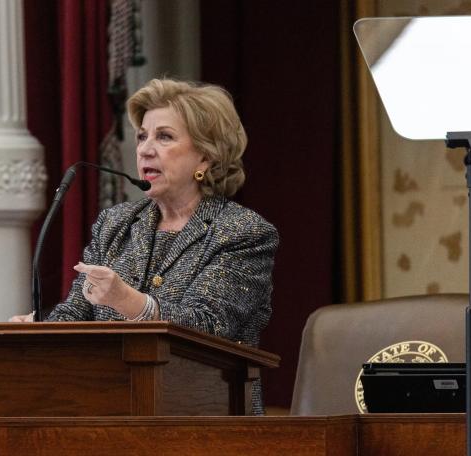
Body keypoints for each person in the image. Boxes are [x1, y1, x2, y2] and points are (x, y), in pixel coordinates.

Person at [14, 78, 278, 414]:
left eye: (164, 137)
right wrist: (36, 333)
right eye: (142, 136)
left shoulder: (242, 232)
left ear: (205, 158)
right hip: (109, 411)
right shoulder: (116, 224)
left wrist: (131, 303)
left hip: (206, 420)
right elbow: (76, 313)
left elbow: (209, 329)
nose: (145, 149)